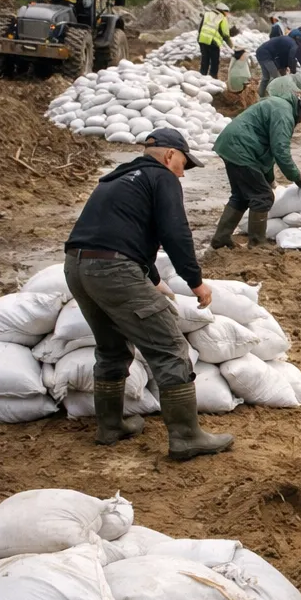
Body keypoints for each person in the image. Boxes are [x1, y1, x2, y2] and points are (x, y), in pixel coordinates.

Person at [63, 129, 234, 461]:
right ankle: (186, 437)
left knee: (111, 349)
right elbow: (175, 232)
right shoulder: (162, 178)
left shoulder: (116, 179)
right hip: (113, 271)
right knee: (170, 349)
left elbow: (123, 234)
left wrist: (153, 279)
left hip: (77, 267)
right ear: (170, 155)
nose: (183, 173)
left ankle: (110, 426)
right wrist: (196, 283)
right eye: (184, 164)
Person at [210, 90, 301, 249]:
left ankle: (220, 238)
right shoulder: (284, 114)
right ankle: (257, 243)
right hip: (241, 149)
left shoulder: (281, 106)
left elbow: (269, 152)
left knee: (241, 196)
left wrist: (269, 178)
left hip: (233, 145)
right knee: (263, 196)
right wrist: (296, 176)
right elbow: (280, 150)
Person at [196, 2, 233, 79]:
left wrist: (199, 37)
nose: (227, 14)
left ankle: (202, 76)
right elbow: (225, 34)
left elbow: (200, 27)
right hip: (213, 42)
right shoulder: (222, 18)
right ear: (223, 11)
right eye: (226, 12)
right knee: (214, 61)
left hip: (202, 40)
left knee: (204, 60)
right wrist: (231, 46)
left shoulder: (207, 14)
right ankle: (213, 77)